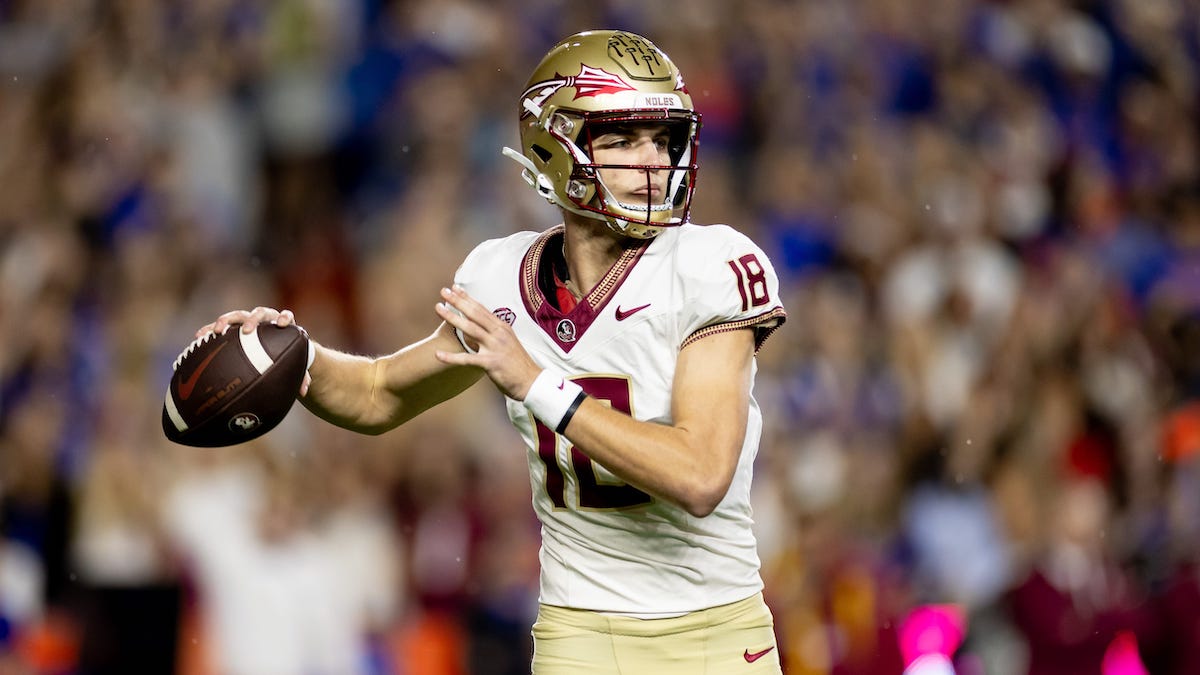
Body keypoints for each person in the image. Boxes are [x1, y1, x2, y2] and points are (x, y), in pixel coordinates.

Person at [201, 29, 787, 674]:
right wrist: (293, 358)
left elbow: (700, 475)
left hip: (712, 630)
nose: (652, 159)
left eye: (662, 138)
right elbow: (377, 395)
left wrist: (537, 383)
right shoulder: (500, 276)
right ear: (555, 146)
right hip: (579, 633)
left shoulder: (710, 263)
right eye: (622, 138)